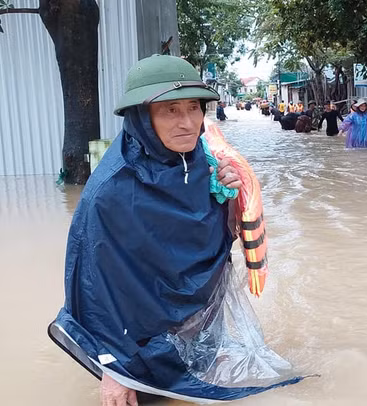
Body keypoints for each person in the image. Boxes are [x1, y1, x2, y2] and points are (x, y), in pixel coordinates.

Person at [46, 54, 302, 405]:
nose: (187, 123)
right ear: (142, 116)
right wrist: (113, 370)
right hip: (137, 346)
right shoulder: (110, 192)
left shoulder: (203, 161)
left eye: (194, 107)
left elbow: (210, 248)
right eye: (170, 110)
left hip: (198, 325)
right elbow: (94, 289)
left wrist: (226, 198)